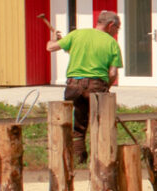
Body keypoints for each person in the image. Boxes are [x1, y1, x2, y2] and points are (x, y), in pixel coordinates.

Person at [45, 9, 124, 156]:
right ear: (111, 25)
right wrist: (106, 88)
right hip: (97, 85)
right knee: (101, 122)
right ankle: (101, 156)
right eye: (117, 28)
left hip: (73, 85)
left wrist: (54, 38)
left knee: (78, 122)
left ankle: (77, 156)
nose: (116, 32)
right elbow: (113, 73)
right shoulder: (112, 43)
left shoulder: (77, 34)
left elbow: (50, 47)